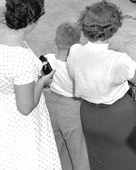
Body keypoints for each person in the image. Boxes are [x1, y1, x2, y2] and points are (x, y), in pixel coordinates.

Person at [0, 0, 61, 170]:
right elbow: (25, 108)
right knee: (25, 161)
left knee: (3, 160)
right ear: (31, 23)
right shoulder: (21, 57)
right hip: (17, 122)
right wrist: (42, 82)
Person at [66, 0, 136, 170]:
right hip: (118, 115)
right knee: (129, 158)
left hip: (88, 112)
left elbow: (74, 73)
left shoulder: (75, 51)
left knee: (98, 156)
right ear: (113, 29)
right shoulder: (118, 60)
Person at [44, 22, 90, 170]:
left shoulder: (47, 59)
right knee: (79, 150)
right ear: (78, 43)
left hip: (51, 105)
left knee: (58, 146)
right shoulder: (77, 66)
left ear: (56, 41)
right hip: (72, 109)